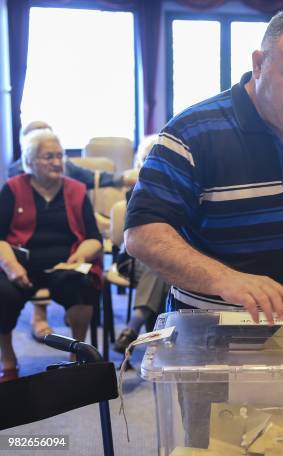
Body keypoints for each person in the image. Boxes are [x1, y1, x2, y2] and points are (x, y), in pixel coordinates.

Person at [125, 8, 283, 324]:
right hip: (209, 331)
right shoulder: (191, 131)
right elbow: (143, 234)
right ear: (259, 64)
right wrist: (226, 279)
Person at [0, 129, 103, 382]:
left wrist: (79, 257)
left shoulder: (77, 190)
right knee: (3, 293)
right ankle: (8, 358)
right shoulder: (13, 189)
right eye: (48, 157)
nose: (57, 162)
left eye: (60, 155)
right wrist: (12, 266)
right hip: (23, 267)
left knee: (83, 285)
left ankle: (76, 353)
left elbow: (94, 238)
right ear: (31, 161)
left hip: (65, 264)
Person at [113, 135, 170, 353]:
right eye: (147, 158)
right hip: (134, 260)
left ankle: (134, 327)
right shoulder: (135, 194)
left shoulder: (182, 192)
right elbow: (138, 241)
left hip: (170, 259)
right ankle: (152, 340)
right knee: (157, 261)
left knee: (163, 264)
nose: (152, 164)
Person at [8, 120, 136, 189]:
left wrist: (124, 179)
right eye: (48, 156)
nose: (56, 163)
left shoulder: (67, 169)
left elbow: (94, 177)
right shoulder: (13, 180)